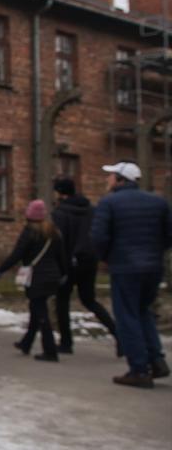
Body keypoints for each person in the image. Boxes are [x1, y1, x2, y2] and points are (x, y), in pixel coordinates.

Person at [90, 162, 172, 389]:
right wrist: (154, 253)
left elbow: (98, 237)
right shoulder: (158, 202)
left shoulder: (109, 203)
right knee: (143, 312)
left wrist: (106, 257)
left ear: (120, 179)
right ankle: (156, 359)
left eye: (110, 176)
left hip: (125, 266)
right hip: (153, 267)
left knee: (127, 316)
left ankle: (139, 369)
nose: (107, 180)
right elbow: (168, 235)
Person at [0, 200, 68, 362]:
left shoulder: (29, 232)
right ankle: (26, 343)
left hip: (36, 277)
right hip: (52, 276)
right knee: (37, 309)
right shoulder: (53, 232)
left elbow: (17, 254)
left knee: (40, 312)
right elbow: (61, 255)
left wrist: (0, 269)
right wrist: (63, 273)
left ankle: (50, 350)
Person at [51, 176, 118, 355]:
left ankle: (66, 342)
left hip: (68, 261)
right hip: (89, 259)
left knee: (62, 301)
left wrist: (59, 265)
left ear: (60, 193)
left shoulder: (60, 213)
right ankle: (119, 335)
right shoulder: (91, 210)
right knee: (89, 300)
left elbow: (59, 241)